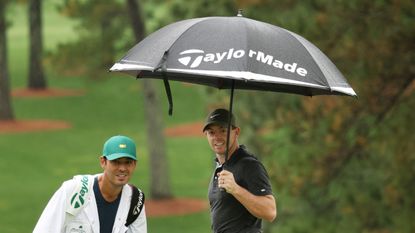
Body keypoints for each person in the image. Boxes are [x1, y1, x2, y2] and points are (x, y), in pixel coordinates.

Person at [33, 135, 147, 233]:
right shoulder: (73, 190)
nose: (122, 168)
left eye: (128, 162)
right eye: (116, 162)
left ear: (135, 164)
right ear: (103, 162)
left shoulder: (136, 200)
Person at [203, 108, 277, 233]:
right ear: (206, 135)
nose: (217, 137)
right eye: (211, 132)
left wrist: (235, 189)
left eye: (223, 131)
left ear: (236, 132)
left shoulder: (249, 165)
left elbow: (270, 211)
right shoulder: (221, 166)